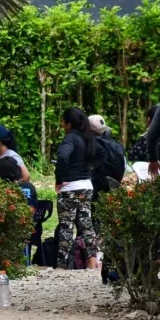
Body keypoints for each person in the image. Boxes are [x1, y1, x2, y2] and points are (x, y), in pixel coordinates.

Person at [55, 107, 98, 270]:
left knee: (67, 226)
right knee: (87, 225)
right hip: (86, 186)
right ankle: (93, 262)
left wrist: (61, 178)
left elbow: (63, 156)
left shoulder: (70, 139)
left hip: (70, 188)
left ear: (68, 124)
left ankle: (61, 265)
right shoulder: (89, 138)